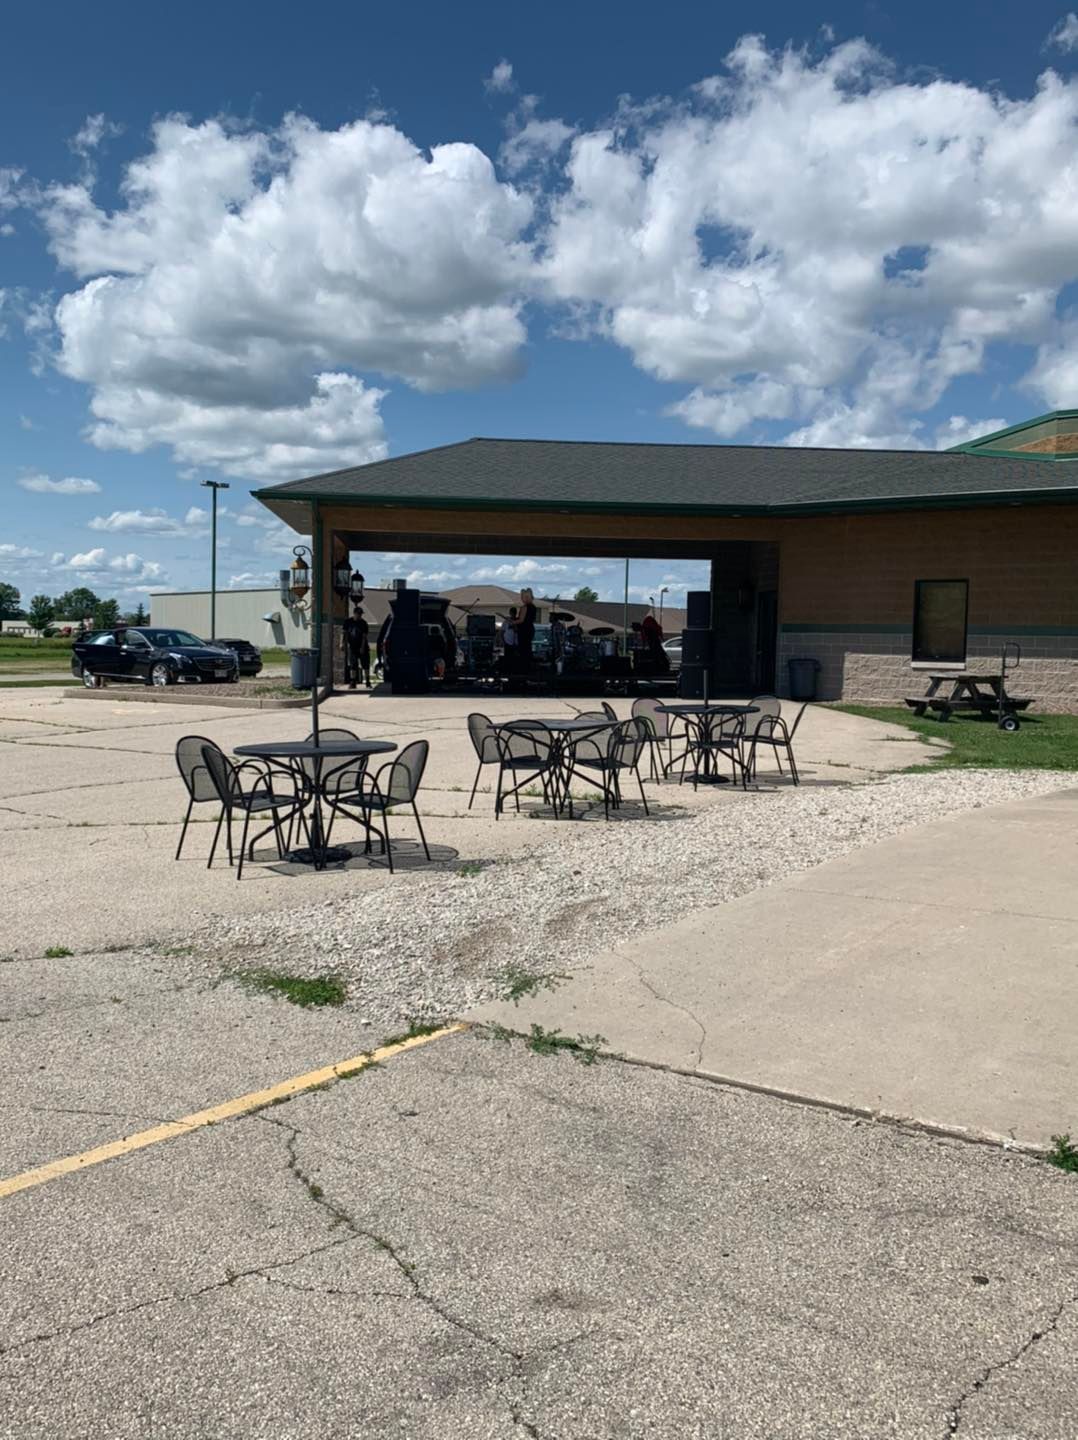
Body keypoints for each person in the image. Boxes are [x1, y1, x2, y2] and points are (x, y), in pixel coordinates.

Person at [343, 604, 370, 688]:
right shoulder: (348, 622)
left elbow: (364, 636)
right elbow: (344, 633)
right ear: (354, 613)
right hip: (352, 647)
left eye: (361, 614)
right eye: (358, 614)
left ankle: (368, 681)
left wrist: (362, 647)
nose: (360, 615)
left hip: (362, 646)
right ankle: (353, 682)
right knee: (353, 665)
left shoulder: (363, 623)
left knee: (365, 664)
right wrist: (342, 643)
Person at [517, 588, 537, 669]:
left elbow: (521, 620)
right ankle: (528, 666)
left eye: (523, 596)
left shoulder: (525, 607)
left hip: (524, 630)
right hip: (530, 629)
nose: (522, 598)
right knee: (527, 648)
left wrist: (513, 622)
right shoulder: (533, 607)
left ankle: (524, 667)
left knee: (523, 649)